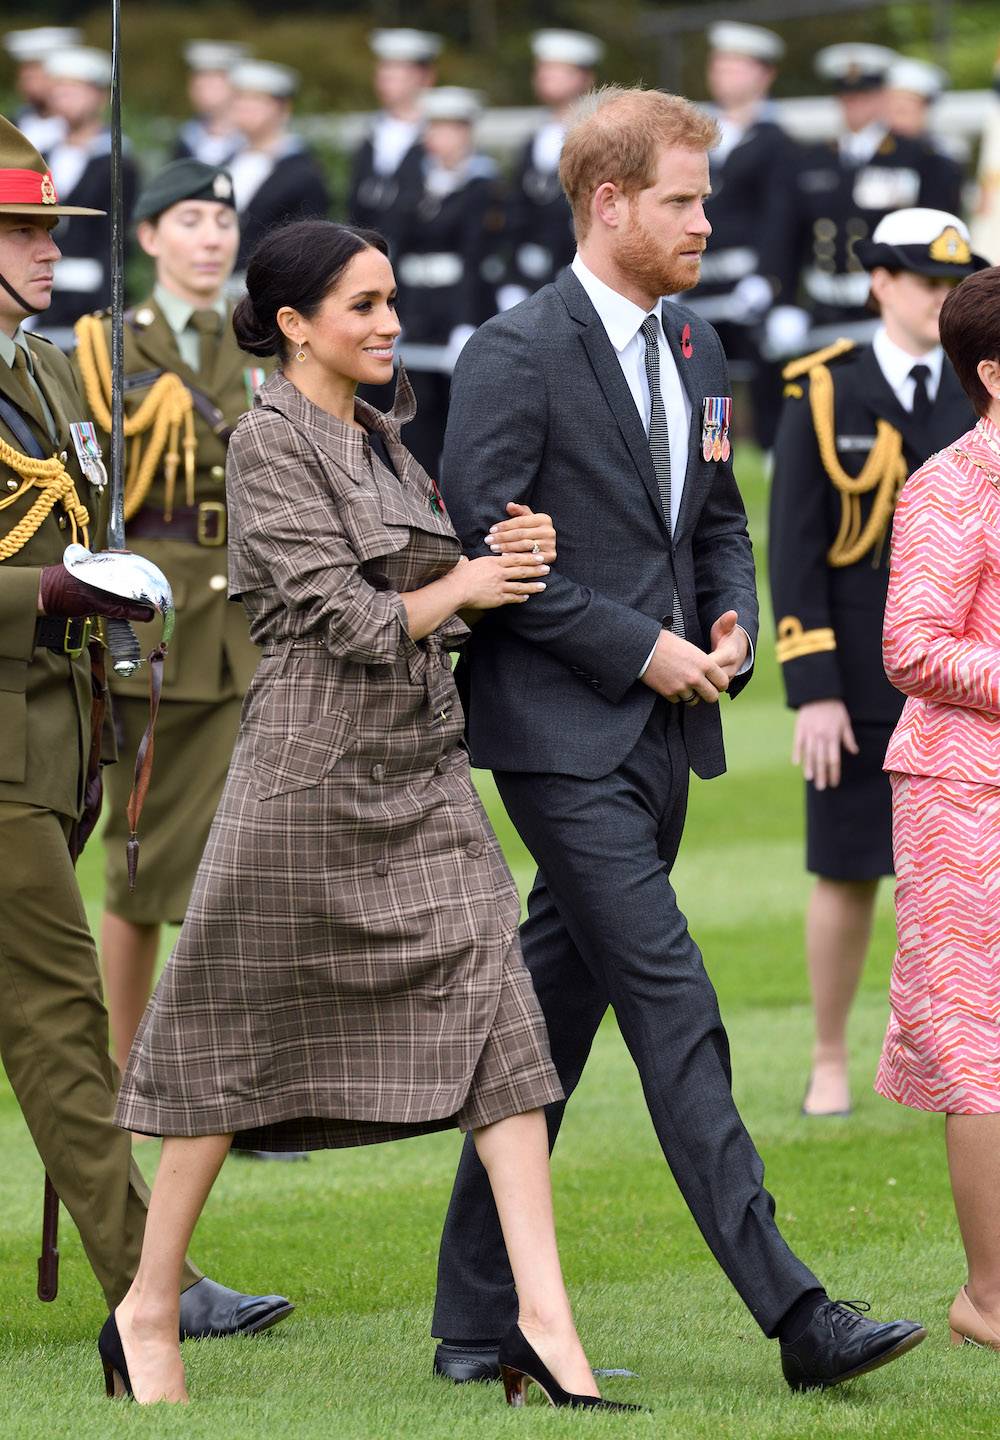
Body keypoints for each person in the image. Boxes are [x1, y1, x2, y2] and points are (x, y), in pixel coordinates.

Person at [429, 84, 925, 1394]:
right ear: (609, 204)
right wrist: (635, 644)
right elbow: (491, 546)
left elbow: (714, 518)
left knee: (551, 1022)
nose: (708, 221)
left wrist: (729, 618)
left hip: (665, 740)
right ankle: (796, 1313)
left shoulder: (696, 344)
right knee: (675, 1006)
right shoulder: (512, 352)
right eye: (684, 201)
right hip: (559, 740)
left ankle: (473, 1320)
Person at [106, 218, 640, 1415]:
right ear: (296, 324)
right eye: (362, 305)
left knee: (506, 1027)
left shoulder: (388, 440)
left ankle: (542, 1326)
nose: (389, 323)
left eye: (390, 300)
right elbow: (340, 621)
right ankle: (147, 1304)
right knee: (226, 1051)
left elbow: (432, 601)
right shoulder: (265, 442)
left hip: (419, 770)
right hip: (307, 780)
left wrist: (505, 558)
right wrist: (460, 583)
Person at [0, 113, 290, 1339]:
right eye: (19, 230)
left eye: (48, 228)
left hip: (54, 733)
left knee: (49, 1010)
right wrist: (61, 589)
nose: (46, 249)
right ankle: (146, 1284)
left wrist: (107, 588)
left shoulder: (42, 367)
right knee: (61, 1011)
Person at [768, 207, 982, 1117]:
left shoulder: (980, 385)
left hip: (968, 682)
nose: (939, 301)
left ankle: (965, 1063)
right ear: (879, 284)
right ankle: (827, 1057)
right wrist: (811, 689)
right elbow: (794, 549)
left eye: (953, 286)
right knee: (848, 867)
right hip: (859, 674)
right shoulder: (824, 388)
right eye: (925, 283)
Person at [69, 160, 265, 1085]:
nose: (211, 236)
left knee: (245, 872)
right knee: (143, 867)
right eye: (189, 218)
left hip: (258, 632)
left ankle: (232, 1074)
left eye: (223, 219)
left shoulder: (265, 339)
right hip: (159, 630)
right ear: (147, 238)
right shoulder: (108, 348)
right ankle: (133, 1066)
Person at [875, 263, 1000, 1349]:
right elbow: (910, 646)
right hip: (963, 792)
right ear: (993, 374)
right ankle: (989, 1299)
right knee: (977, 1046)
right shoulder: (950, 484)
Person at [763, 43, 961, 362]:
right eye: (846, 97)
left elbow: (933, 243)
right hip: (823, 308)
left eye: (865, 96)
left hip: (886, 310)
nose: (854, 105)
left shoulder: (919, 160)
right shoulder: (811, 161)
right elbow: (787, 236)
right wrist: (783, 302)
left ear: (884, 97)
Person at [684, 20, 794, 450]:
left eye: (737, 64)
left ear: (764, 75)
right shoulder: (697, 139)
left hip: (749, 286)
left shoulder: (776, 142)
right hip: (698, 279)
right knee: (703, 382)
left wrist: (769, 280)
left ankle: (774, 458)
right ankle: (711, 457)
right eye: (719, 63)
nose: (723, 72)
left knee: (765, 383)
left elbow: (781, 217)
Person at [392, 86, 504, 474]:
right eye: (434, 127)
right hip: (418, 310)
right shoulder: (415, 183)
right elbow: (398, 249)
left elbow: (475, 260)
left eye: (449, 128)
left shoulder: (481, 185)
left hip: (458, 309)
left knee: (460, 421)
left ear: (466, 133)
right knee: (415, 416)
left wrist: (464, 323)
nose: (438, 137)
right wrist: (396, 310)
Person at [26, 46, 139, 351]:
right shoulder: (42, 154)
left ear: (100, 97)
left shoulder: (117, 160)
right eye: (59, 88)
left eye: (75, 88)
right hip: (36, 291)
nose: (64, 96)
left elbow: (115, 244)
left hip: (88, 299)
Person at [497, 29, 603, 311]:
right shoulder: (533, 143)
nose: (546, 74)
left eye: (558, 69)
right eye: (543, 68)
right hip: (532, 278)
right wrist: (511, 277)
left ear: (585, 77)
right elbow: (517, 216)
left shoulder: (600, 140)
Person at [227, 60, 329, 285]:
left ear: (282, 107)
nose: (244, 107)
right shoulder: (228, 161)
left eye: (255, 100)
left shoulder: (303, 172)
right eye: (239, 98)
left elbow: (308, 247)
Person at [347, 27, 441, 257]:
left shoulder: (438, 134)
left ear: (426, 77)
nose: (386, 75)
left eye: (399, 68)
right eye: (384, 66)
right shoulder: (371, 137)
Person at [884, 58, 965, 216]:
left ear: (925, 109)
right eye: (894, 101)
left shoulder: (940, 161)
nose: (900, 109)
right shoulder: (867, 153)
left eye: (910, 103)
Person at [1, 25, 80, 153]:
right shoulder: (11, 125)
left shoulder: (81, 130)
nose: (25, 85)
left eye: (33, 77)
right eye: (24, 77)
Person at [173, 40, 249, 168]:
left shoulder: (254, 141)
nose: (200, 86)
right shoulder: (186, 137)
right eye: (196, 78)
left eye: (212, 79)